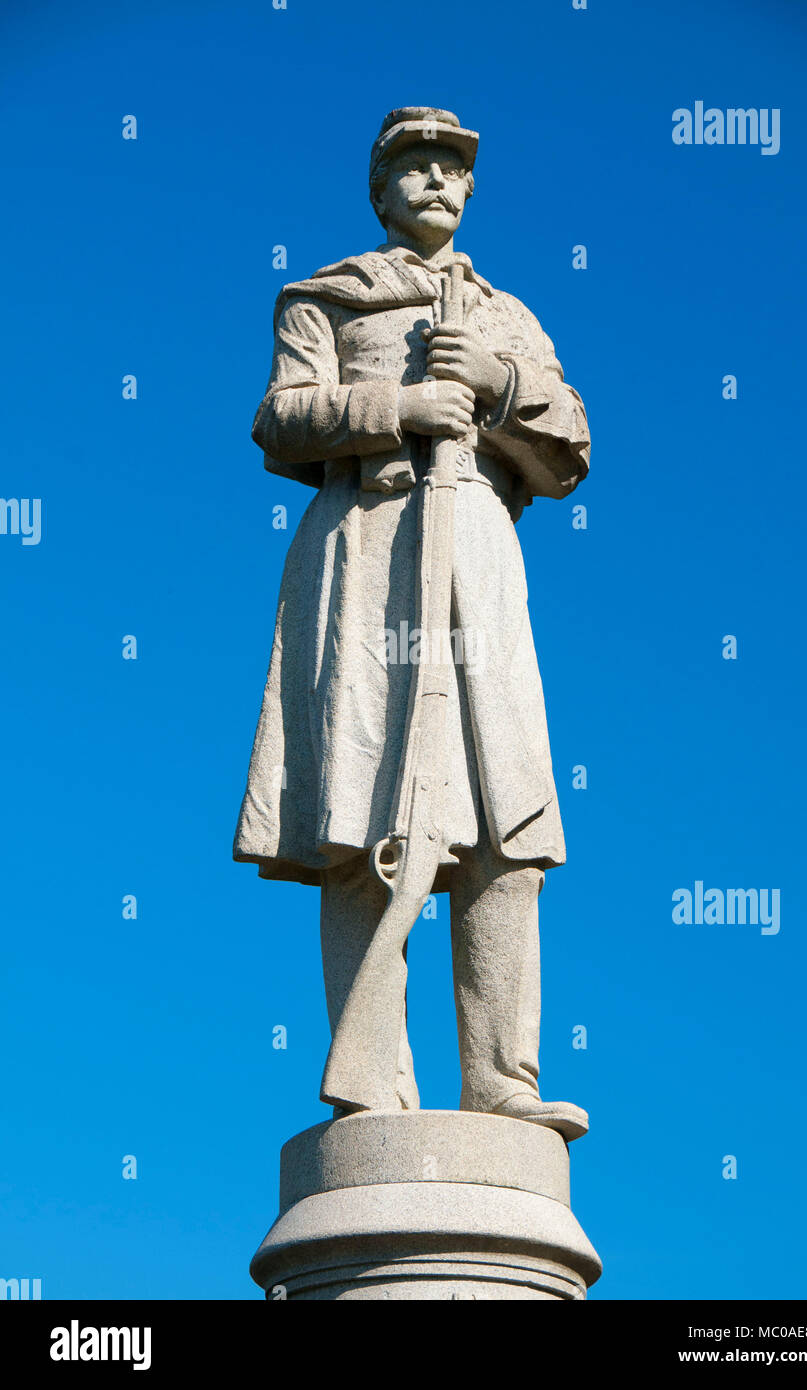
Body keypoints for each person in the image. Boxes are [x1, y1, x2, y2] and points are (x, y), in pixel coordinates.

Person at [234, 107, 592, 1138]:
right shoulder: (326, 298)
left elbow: (568, 445)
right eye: (413, 166)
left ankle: (501, 1083)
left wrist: (497, 383)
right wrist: (397, 410)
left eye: (451, 167)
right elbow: (281, 416)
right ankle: (370, 1084)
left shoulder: (507, 315)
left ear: (470, 190)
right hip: (367, 546)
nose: (435, 180)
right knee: (359, 819)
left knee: (508, 819)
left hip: (476, 549)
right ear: (380, 188)